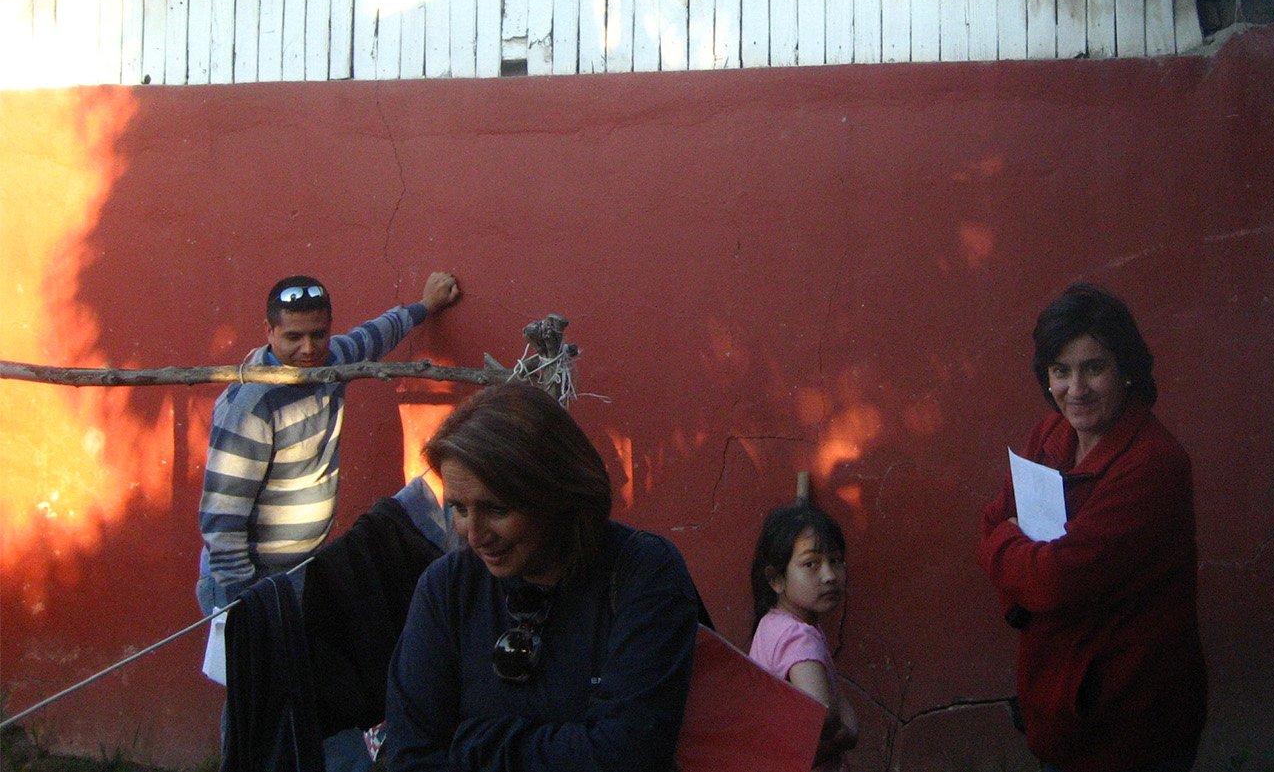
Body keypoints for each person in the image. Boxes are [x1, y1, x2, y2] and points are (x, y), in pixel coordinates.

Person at [384, 382, 701, 772]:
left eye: (496, 509)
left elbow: (626, 753)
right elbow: (411, 754)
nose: (474, 534)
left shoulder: (644, 573)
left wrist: (475, 743)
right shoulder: (447, 588)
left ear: (556, 494)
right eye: (458, 508)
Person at [978, 283, 1205, 772]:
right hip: (1060, 706)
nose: (1075, 389)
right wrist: (1022, 572)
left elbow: (1056, 578)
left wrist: (1013, 553)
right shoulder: (1051, 433)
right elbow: (993, 520)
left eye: (1094, 368)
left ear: (1127, 370)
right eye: (1061, 371)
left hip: (1129, 721)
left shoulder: (1152, 463)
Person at [197, 270, 462, 613]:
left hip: (302, 568)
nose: (308, 349)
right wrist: (245, 601)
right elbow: (223, 518)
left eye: (318, 335)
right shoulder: (249, 405)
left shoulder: (331, 362)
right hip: (250, 582)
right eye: (293, 337)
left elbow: (375, 335)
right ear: (269, 331)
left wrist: (426, 305)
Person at [747, 503, 857, 772]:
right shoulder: (798, 637)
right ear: (776, 579)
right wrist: (848, 733)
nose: (829, 576)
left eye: (835, 561)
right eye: (811, 564)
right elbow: (821, 715)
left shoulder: (771, 623)